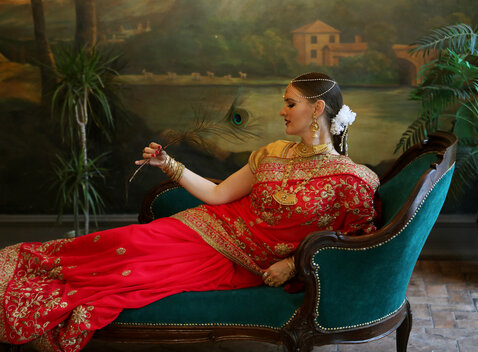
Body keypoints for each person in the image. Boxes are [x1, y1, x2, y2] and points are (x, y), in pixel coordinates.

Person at [0, 72, 380, 352]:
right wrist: (168, 164)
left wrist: (296, 265)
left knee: (128, 276)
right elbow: (217, 195)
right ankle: (17, 270)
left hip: (237, 261)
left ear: (316, 109)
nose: (282, 110)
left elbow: (355, 246)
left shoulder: (351, 180)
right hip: (203, 226)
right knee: (122, 241)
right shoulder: (273, 153)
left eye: (290, 103)